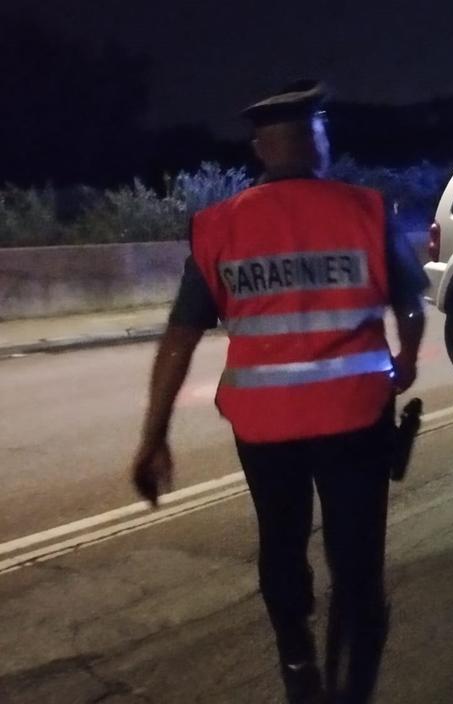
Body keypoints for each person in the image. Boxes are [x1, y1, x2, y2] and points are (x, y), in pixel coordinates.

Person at [128, 80, 426, 704]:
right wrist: (404, 363)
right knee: (357, 561)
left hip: (264, 428)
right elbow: (411, 305)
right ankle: (350, 687)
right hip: (354, 418)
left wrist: (154, 438)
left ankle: (298, 666)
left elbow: (178, 339)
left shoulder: (217, 227)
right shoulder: (368, 210)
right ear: (318, 142)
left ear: (262, 150)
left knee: (281, 543)